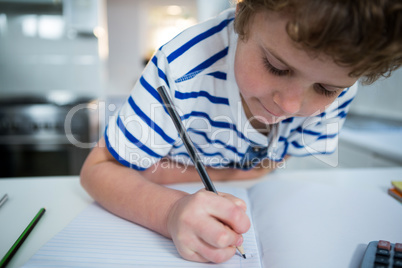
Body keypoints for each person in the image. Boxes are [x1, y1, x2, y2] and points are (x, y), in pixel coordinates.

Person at [80, 0, 402, 263]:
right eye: (277, 67)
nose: (289, 105)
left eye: (324, 88)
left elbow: (277, 158)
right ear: (242, 9)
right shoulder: (179, 70)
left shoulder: (343, 90)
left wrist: (164, 173)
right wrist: (170, 211)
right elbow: (98, 168)